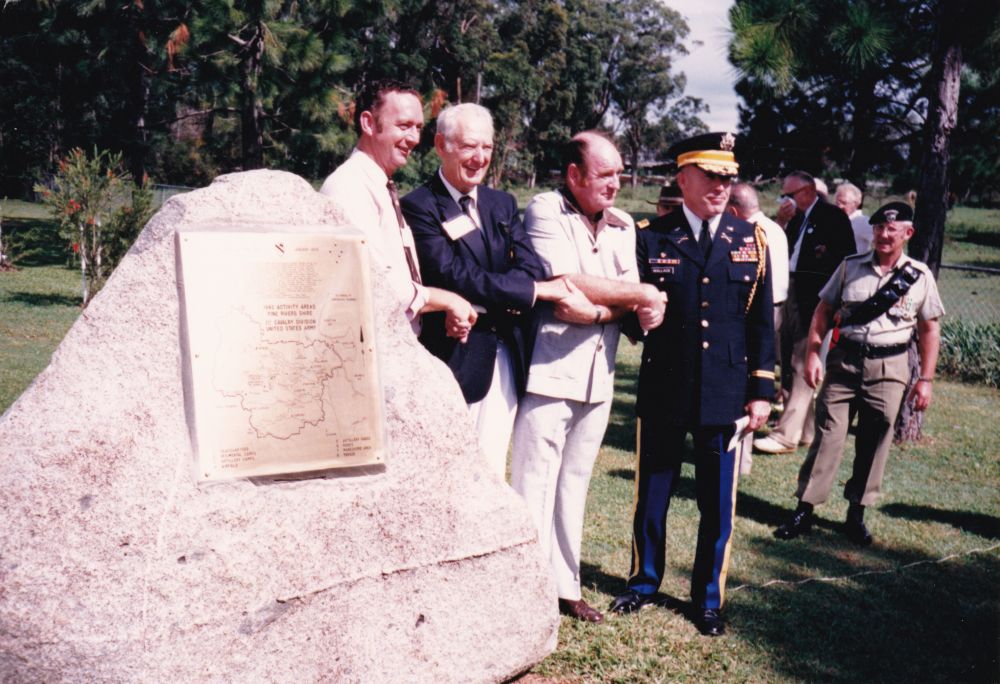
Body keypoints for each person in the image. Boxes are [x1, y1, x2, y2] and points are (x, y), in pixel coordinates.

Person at [609, 132, 775, 637]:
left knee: (716, 503)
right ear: (683, 178)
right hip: (665, 385)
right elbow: (630, 317)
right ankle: (643, 582)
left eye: (729, 177)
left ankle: (707, 599)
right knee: (652, 494)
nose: (722, 186)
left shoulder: (751, 240)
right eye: (711, 176)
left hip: (725, 393)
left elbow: (761, 324)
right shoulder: (649, 236)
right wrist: (640, 317)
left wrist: (761, 390)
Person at [511, 131, 667, 624]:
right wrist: (635, 296)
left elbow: (608, 294)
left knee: (574, 483)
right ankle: (521, 587)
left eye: (619, 173)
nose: (616, 184)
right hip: (549, 370)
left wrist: (620, 303)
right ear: (573, 175)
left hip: (599, 375)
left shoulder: (622, 226)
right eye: (604, 175)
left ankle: (565, 586)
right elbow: (567, 284)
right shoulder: (544, 211)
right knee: (532, 483)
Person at [400, 103, 593, 478]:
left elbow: (531, 265)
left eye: (487, 148)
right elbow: (454, 275)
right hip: (456, 354)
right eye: (470, 147)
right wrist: (536, 292)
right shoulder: (419, 206)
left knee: (490, 465)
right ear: (441, 145)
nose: (480, 158)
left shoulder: (500, 203)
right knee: (451, 469)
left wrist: (523, 286)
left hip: (507, 353)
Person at [773, 202, 944, 545]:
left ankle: (857, 513)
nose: (883, 235)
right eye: (878, 228)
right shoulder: (850, 267)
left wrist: (925, 379)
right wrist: (812, 355)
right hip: (843, 362)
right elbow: (823, 311)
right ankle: (805, 509)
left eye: (891, 230)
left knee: (875, 438)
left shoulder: (919, 276)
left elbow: (929, 330)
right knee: (827, 436)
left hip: (890, 367)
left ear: (907, 234)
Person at [319, 79, 476, 340]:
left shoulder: (379, 184)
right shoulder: (348, 187)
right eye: (403, 126)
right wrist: (446, 300)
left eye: (418, 127)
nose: (414, 139)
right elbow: (376, 283)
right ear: (368, 123)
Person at [754, 171, 855, 455]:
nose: (785, 199)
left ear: (809, 191)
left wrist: (833, 304)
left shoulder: (833, 217)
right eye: (783, 194)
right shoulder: (793, 218)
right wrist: (783, 220)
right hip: (789, 291)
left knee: (802, 361)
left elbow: (845, 261)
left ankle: (785, 435)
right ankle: (806, 430)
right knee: (786, 360)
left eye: (790, 194)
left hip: (816, 299)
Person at [834, 182, 872, 253]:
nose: (840, 206)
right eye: (837, 203)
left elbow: (879, 242)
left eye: (844, 203)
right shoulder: (835, 221)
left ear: (856, 203)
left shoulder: (863, 222)